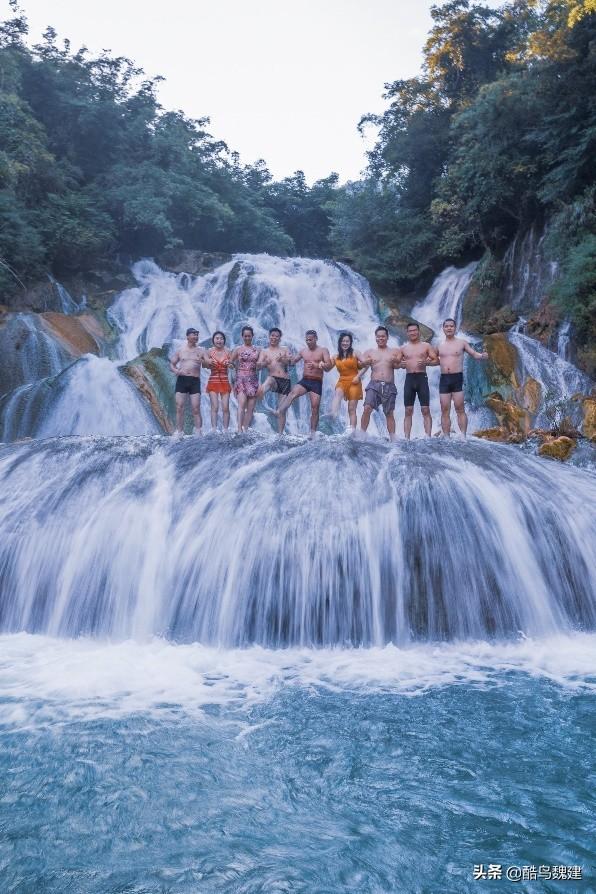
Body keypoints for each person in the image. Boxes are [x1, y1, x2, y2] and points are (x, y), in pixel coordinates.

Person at [437, 318, 488, 437]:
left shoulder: (462, 343)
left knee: (460, 408)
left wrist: (482, 356)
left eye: (451, 326)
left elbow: (474, 354)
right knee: (445, 410)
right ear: (443, 329)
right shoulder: (439, 345)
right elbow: (433, 359)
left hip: (457, 378)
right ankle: (446, 436)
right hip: (444, 379)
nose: (449, 328)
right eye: (447, 326)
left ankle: (463, 436)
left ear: (455, 328)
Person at [276, 330, 331, 436]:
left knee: (315, 408)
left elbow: (328, 366)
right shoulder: (303, 351)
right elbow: (292, 362)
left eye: (310, 340)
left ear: (316, 339)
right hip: (305, 380)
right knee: (292, 394)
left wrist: (317, 365)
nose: (308, 342)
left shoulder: (323, 350)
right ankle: (281, 412)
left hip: (316, 382)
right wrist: (282, 360)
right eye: (306, 340)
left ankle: (312, 434)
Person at [360, 326, 402, 441]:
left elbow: (399, 365)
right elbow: (360, 364)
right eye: (378, 337)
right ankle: (362, 434)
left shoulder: (394, 351)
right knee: (367, 408)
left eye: (383, 336)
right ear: (375, 338)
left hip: (389, 385)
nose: (380, 338)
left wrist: (396, 361)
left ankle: (393, 438)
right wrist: (365, 362)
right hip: (374, 384)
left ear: (387, 337)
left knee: (389, 413)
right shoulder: (370, 352)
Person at [169, 327, 211, 437]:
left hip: (194, 381)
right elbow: (172, 364)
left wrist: (203, 360)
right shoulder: (180, 350)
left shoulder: (201, 351)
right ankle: (179, 432)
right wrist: (176, 371)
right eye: (193, 334)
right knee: (179, 407)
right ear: (187, 336)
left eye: (197, 334)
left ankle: (198, 431)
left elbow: (208, 365)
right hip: (182, 380)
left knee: (196, 407)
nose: (196, 336)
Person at [400, 322, 438, 439]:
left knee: (425, 409)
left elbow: (436, 360)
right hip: (409, 379)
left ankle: (428, 436)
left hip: (422, 378)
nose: (412, 333)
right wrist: (400, 364)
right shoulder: (403, 348)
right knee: (408, 410)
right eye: (410, 331)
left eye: (414, 330)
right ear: (407, 333)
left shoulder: (426, 346)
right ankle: (406, 438)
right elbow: (396, 362)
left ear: (419, 331)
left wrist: (427, 362)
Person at [326, 331, 368, 431]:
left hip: (354, 381)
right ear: (340, 343)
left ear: (350, 342)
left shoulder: (355, 353)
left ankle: (352, 431)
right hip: (342, 380)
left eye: (347, 341)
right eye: (343, 341)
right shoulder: (336, 356)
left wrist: (358, 376)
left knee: (351, 409)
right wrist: (322, 365)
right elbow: (327, 369)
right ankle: (333, 414)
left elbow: (366, 365)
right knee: (338, 393)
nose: (345, 343)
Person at [256, 327, 294, 434]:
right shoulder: (264, 351)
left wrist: (283, 359)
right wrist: (264, 363)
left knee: (282, 411)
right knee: (270, 380)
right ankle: (260, 393)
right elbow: (258, 366)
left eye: (276, 336)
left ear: (280, 338)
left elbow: (291, 362)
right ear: (269, 337)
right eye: (272, 335)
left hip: (285, 381)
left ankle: (280, 434)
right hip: (273, 379)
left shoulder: (285, 349)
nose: (274, 338)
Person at [230, 325, 261, 432]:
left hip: (253, 380)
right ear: (242, 336)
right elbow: (230, 362)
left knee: (251, 408)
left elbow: (261, 363)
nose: (247, 338)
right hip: (241, 379)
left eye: (249, 336)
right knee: (241, 403)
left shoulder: (257, 350)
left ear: (252, 336)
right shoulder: (238, 349)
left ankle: (246, 429)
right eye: (245, 336)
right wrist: (233, 367)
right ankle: (239, 429)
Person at [206, 330, 232, 431]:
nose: (219, 340)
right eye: (217, 338)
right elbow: (204, 365)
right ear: (213, 340)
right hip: (213, 382)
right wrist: (208, 362)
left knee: (225, 407)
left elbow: (233, 365)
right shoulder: (209, 351)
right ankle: (214, 429)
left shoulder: (228, 351)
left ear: (224, 340)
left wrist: (229, 364)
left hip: (225, 382)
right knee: (215, 406)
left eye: (221, 338)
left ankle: (226, 429)